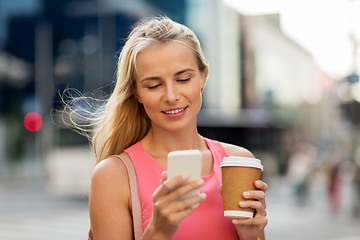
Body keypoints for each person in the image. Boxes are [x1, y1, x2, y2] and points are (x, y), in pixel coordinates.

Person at [65, 16, 268, 239]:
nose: (171, 96)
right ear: (137, 93)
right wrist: (158, 231)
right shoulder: (113, 176)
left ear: (203, 78)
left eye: (183, 79)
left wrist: (251, 236)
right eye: (154, 85)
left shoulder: (238, 162)